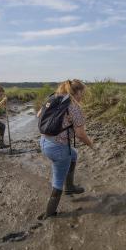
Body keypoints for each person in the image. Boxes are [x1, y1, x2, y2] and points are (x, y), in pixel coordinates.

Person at [37, 79, 95, 219]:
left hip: (44, 142)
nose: (82, 96)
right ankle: (49, 214)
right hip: (58, 149)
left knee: (73, 154)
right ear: (77, 92)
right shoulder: (74, 107)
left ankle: (70, 187)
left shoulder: (54, 98)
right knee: (57, 183)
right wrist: (91, 144)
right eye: (82, 93)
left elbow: (39, 115)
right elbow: (80, 134)